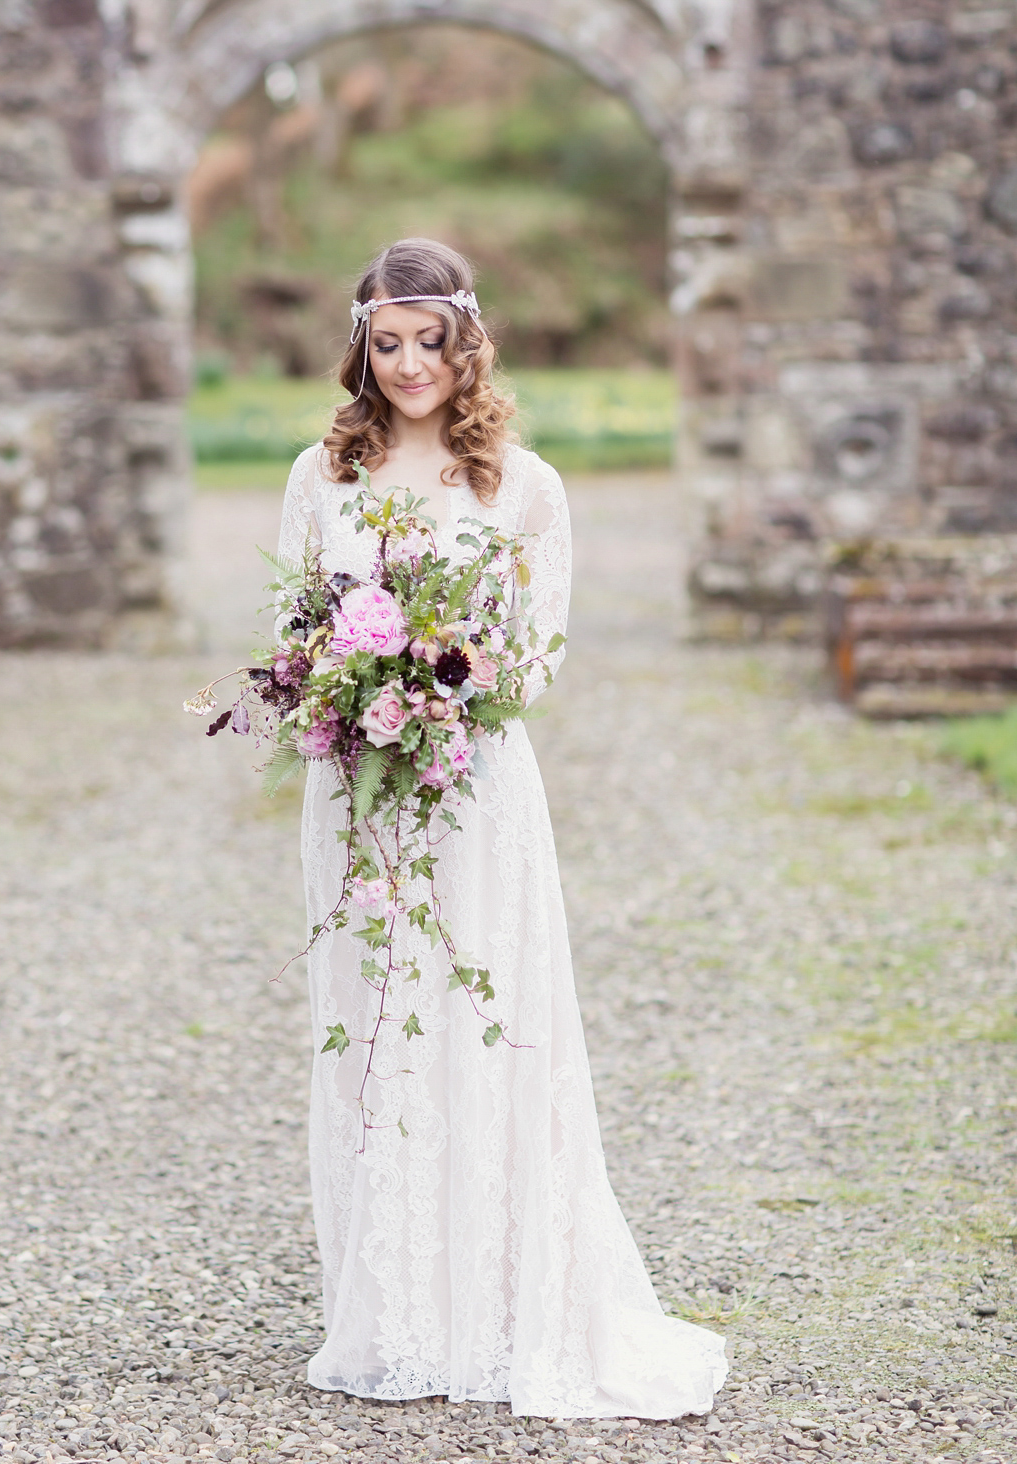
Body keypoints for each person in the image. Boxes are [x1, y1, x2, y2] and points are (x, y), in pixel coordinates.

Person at [277, 237, 727, 1419]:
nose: (411, 363)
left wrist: (446, 681)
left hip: (476, 786)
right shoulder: (316, 478)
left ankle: (503, 1308)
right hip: (355, 798)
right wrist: (341, 687)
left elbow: (536, 658)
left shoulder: (522, 486)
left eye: (432, 341)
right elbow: (294, 631)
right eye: (389, 342)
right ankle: (396, 1316)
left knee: (487, 1023)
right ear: (361, 347)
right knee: (376, 1026)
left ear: (467, 342)